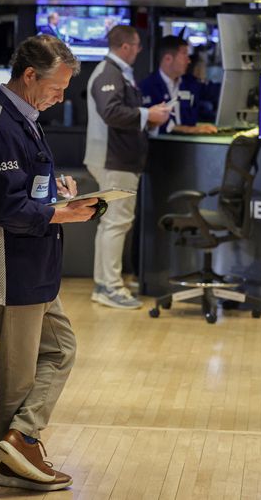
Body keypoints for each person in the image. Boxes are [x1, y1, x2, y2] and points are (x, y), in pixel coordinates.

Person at [0, 34, 97, 492]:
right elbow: (8, 210)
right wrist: (62, 213)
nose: (61, 98)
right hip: (13, 265)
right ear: (28, 76)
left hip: (37, 263)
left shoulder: (26, 116)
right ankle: (14, 462)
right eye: (56, 88)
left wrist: (54, 190)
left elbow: (25, 188)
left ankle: (20, 440)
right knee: (19, 376)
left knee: (60, 349)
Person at [83, 25, 171, 309]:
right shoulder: (108, 73)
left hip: (119, 158)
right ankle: (110, 286)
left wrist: (149, 115)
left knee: (112, 223)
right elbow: (111, 112)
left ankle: (105, 282)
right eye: (136, 45)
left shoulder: (117, 72)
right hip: (114, 159)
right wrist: (149, 114)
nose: (139, 50)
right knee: (116, 223)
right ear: (125, 47)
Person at [139, 36, 218, 135]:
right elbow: (150, 124)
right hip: (160, 146)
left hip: (190, 147)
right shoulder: (147, 87)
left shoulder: (191, 83)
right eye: (184, 54)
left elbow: (215, 93)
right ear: (168, 59)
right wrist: (188, 129)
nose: (189, 61)